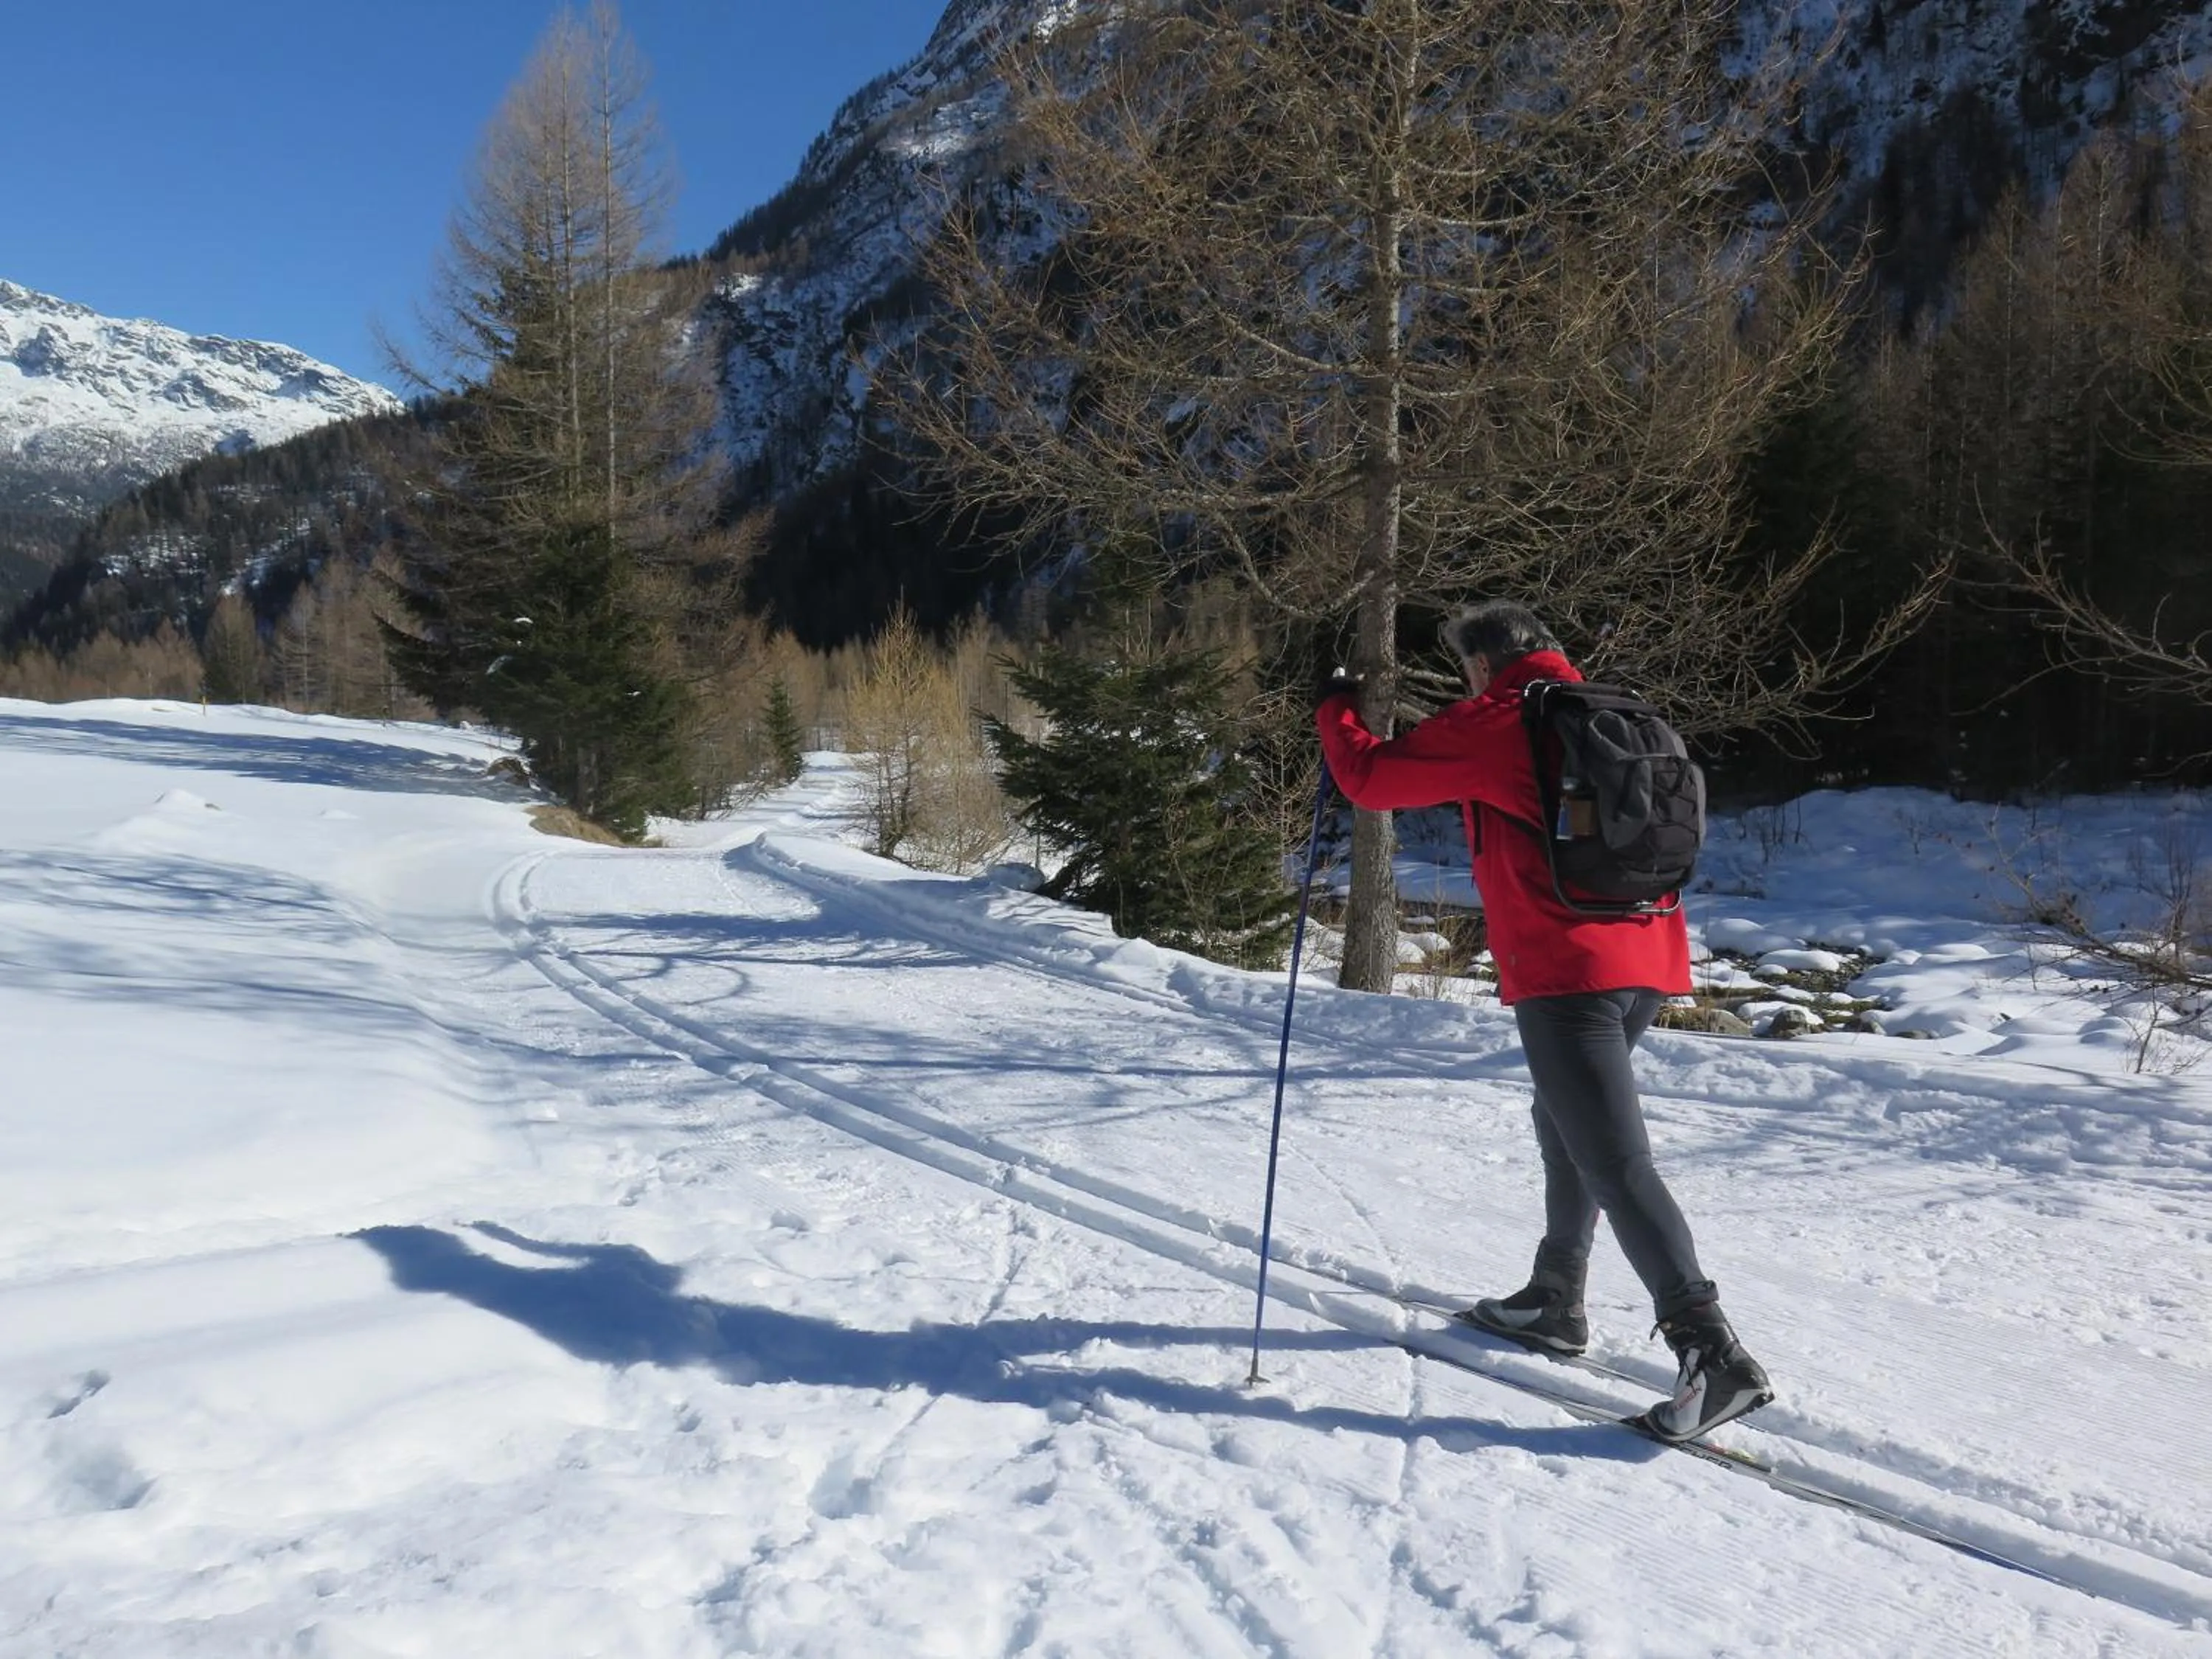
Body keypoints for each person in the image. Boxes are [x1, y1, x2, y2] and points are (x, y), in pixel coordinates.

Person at [1315, 599, 1772, 1441]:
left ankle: (1709, 1354)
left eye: (1465, 671)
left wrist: (1334, 708)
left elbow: (1371, 779)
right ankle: (1555, 1297)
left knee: (1616, 1161)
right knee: (1563, 1119)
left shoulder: (1499, 719)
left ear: (1483, 665)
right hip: (1649, 953)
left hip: (1568, 970)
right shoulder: (1616, 712)